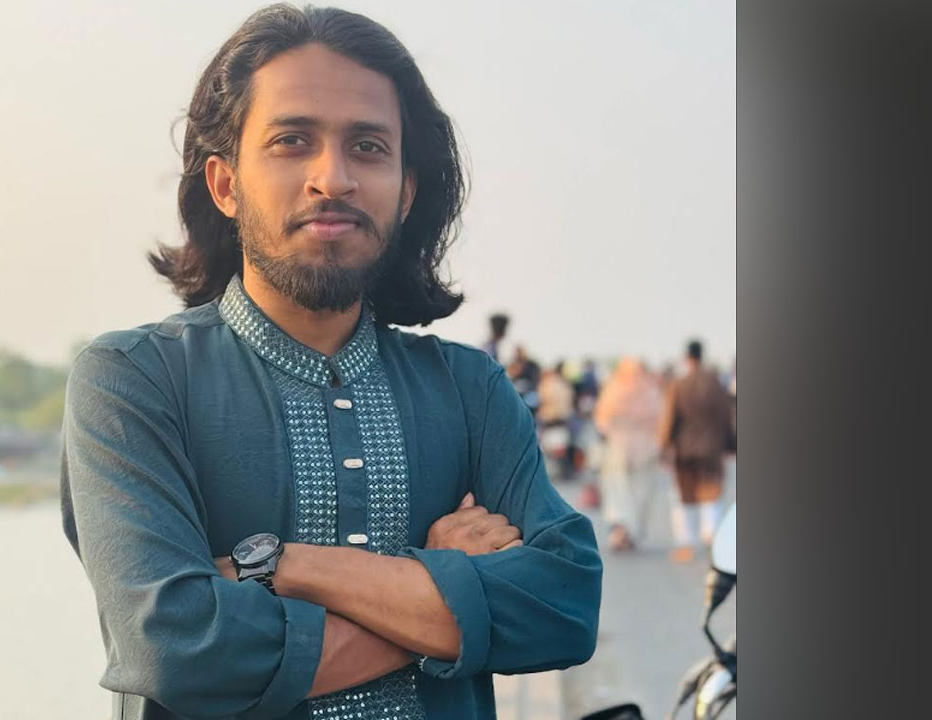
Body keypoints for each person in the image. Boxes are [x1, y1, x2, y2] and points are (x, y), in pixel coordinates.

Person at [58, 7, 601, 719]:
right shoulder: (134, 383)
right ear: (225, 184)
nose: (333, 178)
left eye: (368, 147)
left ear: (405, 190)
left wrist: (284, 567)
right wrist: (445, 589)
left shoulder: (470, 390)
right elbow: (178, 649)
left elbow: (565, 605)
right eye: (292, 141)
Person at [657, 339, 734, 563]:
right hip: (712, 449)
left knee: (686, 497)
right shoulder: (716, 385)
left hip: (686, 450)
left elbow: (669, 419)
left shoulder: (679, 385)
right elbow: (728, 418)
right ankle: (711, 535)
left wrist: (664, 446)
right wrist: (731, 444)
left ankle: (686, 544)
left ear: (687, 358)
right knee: (711, 493)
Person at [593, 357, 665, 551]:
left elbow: (601, 420)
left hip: (618, 447)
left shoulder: (613, 389)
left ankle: (620, 530)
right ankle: (630, 531)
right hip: (646, 448)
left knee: (618, 491)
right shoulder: (651, 391)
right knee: (640, 491)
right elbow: (661, 419)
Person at [537, 361, 575, 480]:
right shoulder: (565, 384)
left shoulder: (546, 384)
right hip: (563, 420)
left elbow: (542, 400)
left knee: (547, 450)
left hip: (550, 421)